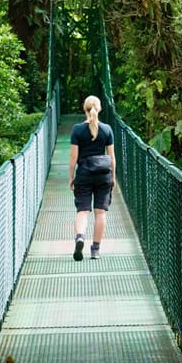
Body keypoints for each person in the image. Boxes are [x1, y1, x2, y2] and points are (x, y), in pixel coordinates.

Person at [68, 95, 116, 260]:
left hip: (84, 174)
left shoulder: (77, 129)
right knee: (100, 213)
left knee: (83, 211)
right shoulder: (107, 129)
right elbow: (112, 157)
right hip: (103, 175)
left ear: (84, 109)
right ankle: (95, 249)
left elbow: (73, 157)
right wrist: (113, 178)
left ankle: (80, 236)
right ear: (100, 108)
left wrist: (71, 177)